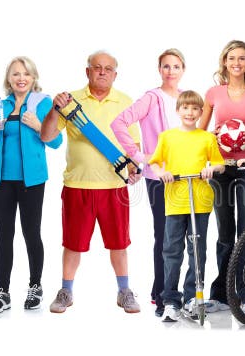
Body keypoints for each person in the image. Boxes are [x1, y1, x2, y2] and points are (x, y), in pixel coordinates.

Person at [40, 50, 142, 314]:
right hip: (77, 186)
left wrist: (135, 166)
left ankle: (124, 291)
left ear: (115, 74)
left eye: (108, 68)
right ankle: (66, 292)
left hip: (114, 188)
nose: (102, 72)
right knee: (73, 244)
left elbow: (134, 146)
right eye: (97, 67)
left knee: (119, 244)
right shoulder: (69, 101)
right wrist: (54, 109)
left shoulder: (126, 102)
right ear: (87, 71)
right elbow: (47, 136)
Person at [111, 48, 187, 317]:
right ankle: (161, 293)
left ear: (183, 70)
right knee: (165, 235)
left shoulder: (186, 100)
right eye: (166, 66)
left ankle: (176, 293)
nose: (170, 71)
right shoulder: (151, 98)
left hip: (183, 176)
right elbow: (120, 122)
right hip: (158, 178)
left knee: (183, 237)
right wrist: (140, 157)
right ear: (159, 69)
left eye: (176, 66)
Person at [0, 56, 63, 313]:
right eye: (16, 74)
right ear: (9, 78)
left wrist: (40, 125)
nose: (21, 78)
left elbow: (56, 142)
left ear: (33, 77)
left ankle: (35, 286)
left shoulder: (43, 103)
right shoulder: (1, 105)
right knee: (4, 236)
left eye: (26, 74)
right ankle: (2, 292)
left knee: (31, 234)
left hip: (32, 181)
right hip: (2, 180)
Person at [197, 40, 245, 313]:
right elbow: (200, 133)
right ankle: (222, 293)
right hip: (221, 168)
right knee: (225, 232)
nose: (237, 63)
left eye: (242, 58)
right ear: (224, 62)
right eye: (232, 58)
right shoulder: (214, 93)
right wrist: (212, 136)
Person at [148, 90, 225, 322]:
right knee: (172, 251)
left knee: (197, 250)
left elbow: (220, 164)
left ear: (201, 112)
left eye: (194, 109)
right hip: (175, 201)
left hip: (200, 201)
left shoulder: (207, 138)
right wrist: (164, 173)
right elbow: (154, 164)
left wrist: (211, 169)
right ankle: (171, 300)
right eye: (185, 108)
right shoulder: (167, 137)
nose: (190, 112)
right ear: (178, 110)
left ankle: (192, 297)